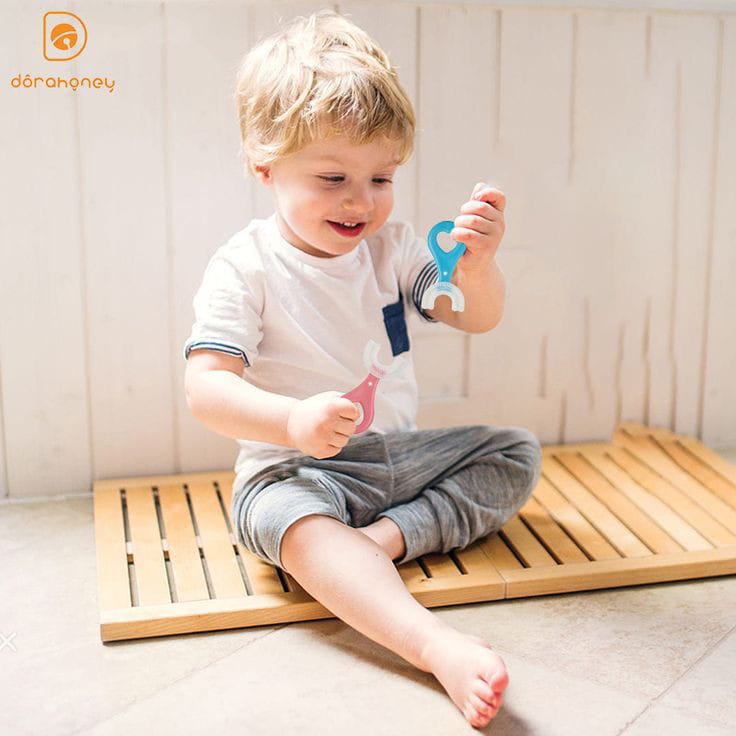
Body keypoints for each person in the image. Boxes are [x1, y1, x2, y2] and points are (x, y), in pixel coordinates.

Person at [183, 9, 542, 729]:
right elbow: (205, 389)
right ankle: (432, 645)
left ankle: (376, 546)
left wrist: (480, 266)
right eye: (333, 177)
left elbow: (476, 316)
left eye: (381, 176)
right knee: (287, 521)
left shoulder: (396, 250)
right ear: (264, 165)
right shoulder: (245, 267)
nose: (361, 200)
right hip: (294, 469)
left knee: (515, 453)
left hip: (391, 460)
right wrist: (289, 419)